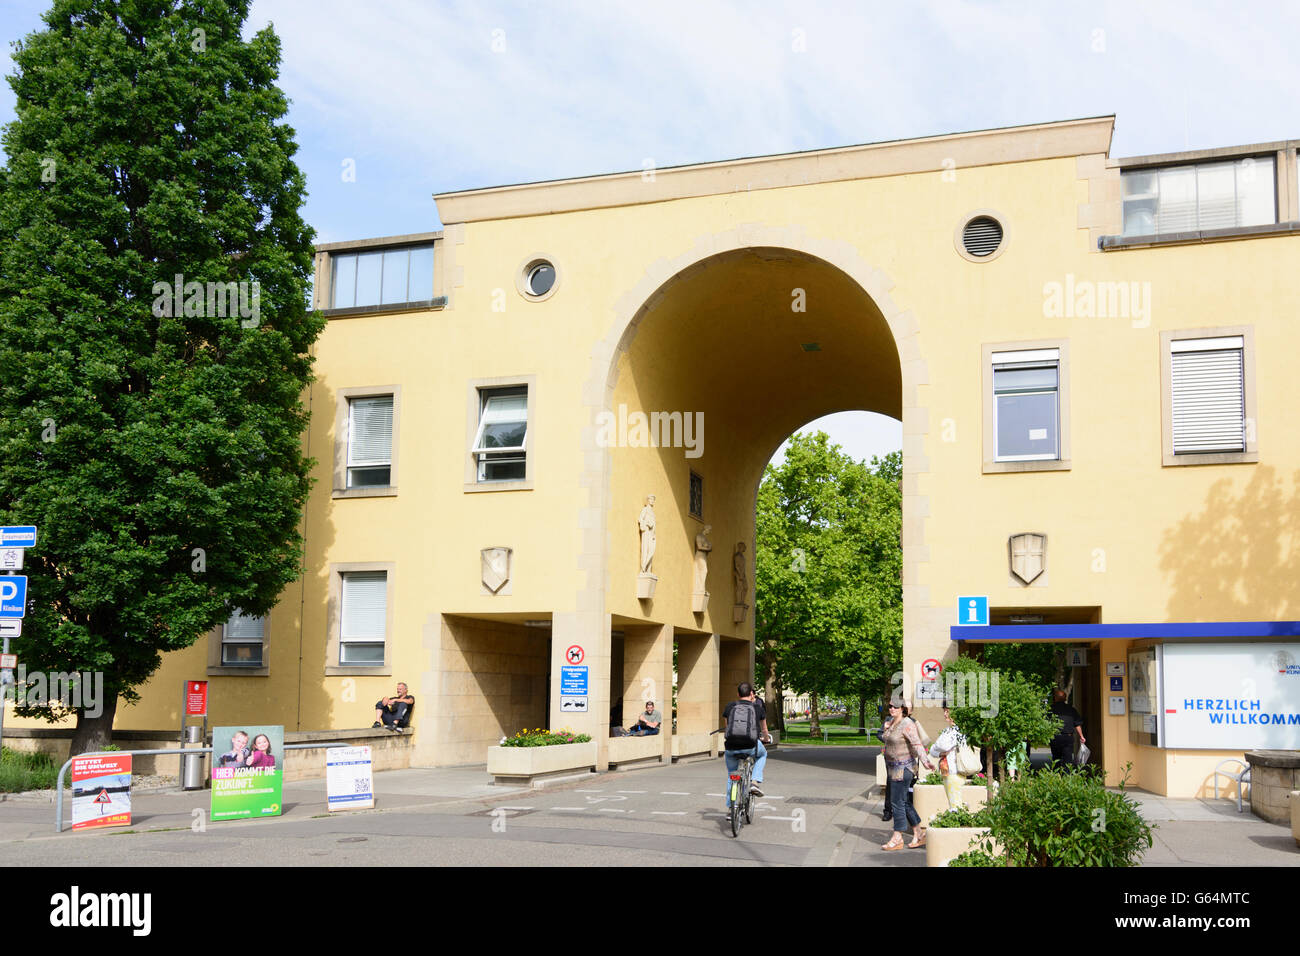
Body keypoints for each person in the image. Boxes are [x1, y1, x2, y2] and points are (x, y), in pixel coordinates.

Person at [880, 699, 934, 850]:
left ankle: (897, 837)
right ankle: (919, 833)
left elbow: (917, 744)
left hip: (903, 769)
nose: (892, 709)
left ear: (902, 709)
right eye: (890, 706)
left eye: (895, 707)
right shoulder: (891, 722)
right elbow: (886, 739)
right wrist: (886, 728)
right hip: (893, 768)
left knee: (896, 802)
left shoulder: (907, 724)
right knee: (904, 801)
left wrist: (925, 761)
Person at [722, 682, 771, 805]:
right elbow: (764, 729)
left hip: (731, 747)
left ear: (738, 694)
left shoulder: (729, 706)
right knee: (762, 755)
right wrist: (766, 739)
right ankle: (754, 782)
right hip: (750, 746)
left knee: (731, 775)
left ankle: (730, 809)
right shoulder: (758, 708)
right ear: (751, 694)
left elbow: (727, 727)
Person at [928, 703, 969, 809]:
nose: (945, 714)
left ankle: (958, 823)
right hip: (946, 772)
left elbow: (943, 745)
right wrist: (941, 752)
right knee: (952, 803)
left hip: (955, 772)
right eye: (944, 711)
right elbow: (932, 750)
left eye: (947, 711)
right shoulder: (948, 730)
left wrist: (939, 747)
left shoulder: (959, 731)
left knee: (955, 805)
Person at [1049, 688, 1085, 767]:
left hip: (1055, 737)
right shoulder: (1071, 710)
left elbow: (1045, 723)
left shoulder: (1050, 709)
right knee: (1068, 759)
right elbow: (1077, 724)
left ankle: (1056, 776)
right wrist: (1081, 736)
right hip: (1067, 737)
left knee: (1056, 758)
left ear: (1055, 698)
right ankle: (1066, 776)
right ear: (1065, 698)